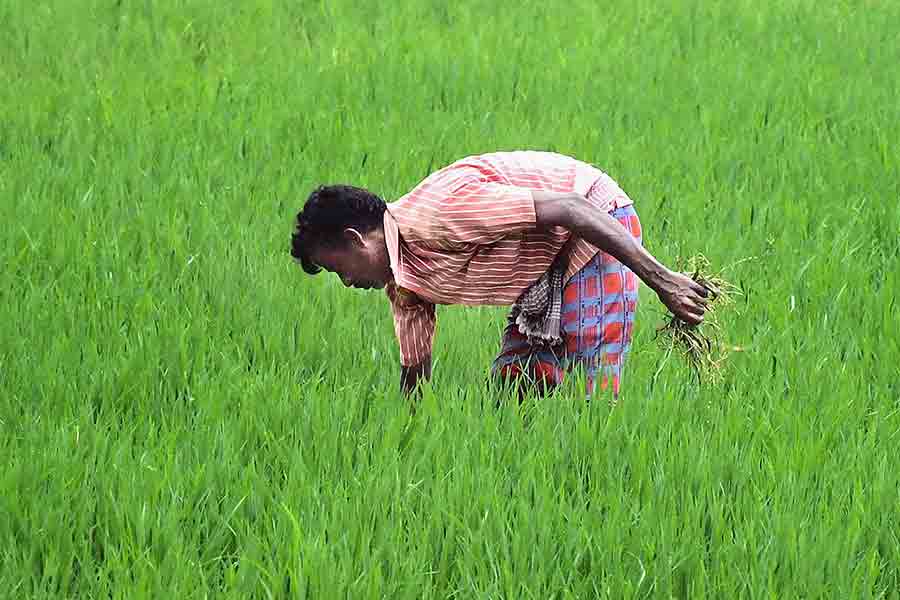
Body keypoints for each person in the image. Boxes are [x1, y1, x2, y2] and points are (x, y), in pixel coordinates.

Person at [290, 151, 709, 400]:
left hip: (594, 222)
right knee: (516, 388)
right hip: (545, 261)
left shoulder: (442, 215)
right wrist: (402, 445)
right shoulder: (405, 281)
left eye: (336, 268)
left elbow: (569, 208)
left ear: (355, 239)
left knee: (588, 382)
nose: (345, 283)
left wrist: (664, 281)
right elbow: (415, 374)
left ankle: (596, 474)